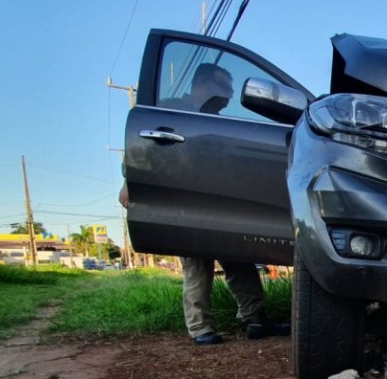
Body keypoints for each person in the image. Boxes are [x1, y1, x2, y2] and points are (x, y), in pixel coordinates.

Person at [119, 62, 288, 345]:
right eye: (225, 86)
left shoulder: (218, 121)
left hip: (221, 201)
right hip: (187, 198)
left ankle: (256, 319)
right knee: (197, 263)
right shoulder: (174, 110)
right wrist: (129, 182)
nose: (230, 94)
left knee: (240, 259)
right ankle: (200, 328)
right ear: (203, 83)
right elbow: (140, 149)